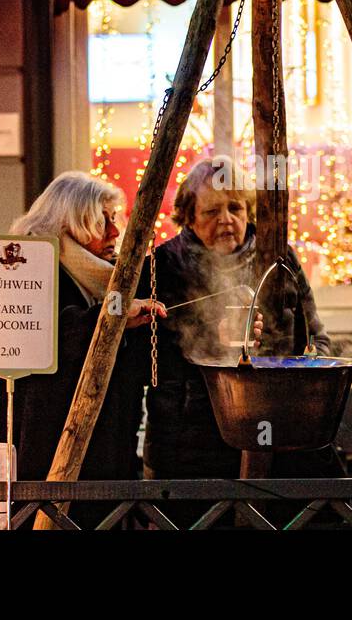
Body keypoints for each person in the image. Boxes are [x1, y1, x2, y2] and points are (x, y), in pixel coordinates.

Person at [0, 172, 166, 524]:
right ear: (67, 225)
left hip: (100, 472)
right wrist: (110, 316)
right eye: (99, 221)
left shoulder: (102, 285)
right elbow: (46, 333)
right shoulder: (26, 272)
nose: (114, 232)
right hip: (40, 469)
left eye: (114, 219)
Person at [141, 155, 334, 480]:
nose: (226, 220)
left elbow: (315, 338)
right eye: (212, 211)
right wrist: (212, 337)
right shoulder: (164, 266)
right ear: (188, 216)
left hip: (276, 440)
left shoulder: (279, 259)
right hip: (187, 447)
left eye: (235, 208)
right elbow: (144, 357)